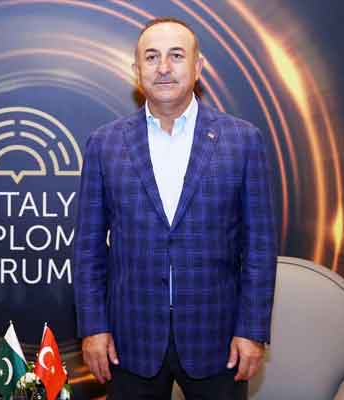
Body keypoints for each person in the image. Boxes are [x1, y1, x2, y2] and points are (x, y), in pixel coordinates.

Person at [73, 17, 277, 399]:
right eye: (151, 57)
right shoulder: (104, 143)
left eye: (176, 56)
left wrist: (252, 330)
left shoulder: (243, 140)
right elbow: (87, 247)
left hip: (218, 341)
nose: (163, 67)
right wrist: (93, 328)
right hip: (128, 340)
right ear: (136, 71)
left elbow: (260, 247)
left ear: (197, 67)